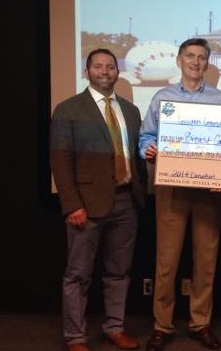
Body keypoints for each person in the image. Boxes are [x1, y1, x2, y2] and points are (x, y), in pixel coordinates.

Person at [50, 48, 147, 351]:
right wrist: (72, 205)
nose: (104, 71)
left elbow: (136, 158)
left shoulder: (130, 111)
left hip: (126, 202)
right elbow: (60, 161)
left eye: (110, 67)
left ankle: (114, 328)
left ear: (118, 72)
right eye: (97, 66)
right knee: (77, 276)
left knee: (119, 272)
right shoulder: (68, 109)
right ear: (87, 72)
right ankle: (75, 337)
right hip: (86, 206)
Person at [139, 38, 221, 351]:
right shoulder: (162, 97)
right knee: (167, 261)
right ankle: (162, 326)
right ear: (179, 60)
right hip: (172, 188)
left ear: (207, 63)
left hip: (209, 190)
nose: (195, 62)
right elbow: (147, 136)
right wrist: (147, 149)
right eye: (190, 56)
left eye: (201, 57)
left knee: (206, 260)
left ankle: (200, 323)